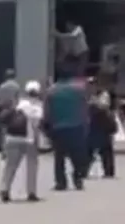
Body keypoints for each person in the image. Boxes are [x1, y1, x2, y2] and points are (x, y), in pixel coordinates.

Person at [43, 57, 88, 191]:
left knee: (59, 157)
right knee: (77, 155)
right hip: (76, 126)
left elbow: (47, 111)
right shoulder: (78, 90)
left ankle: (61, 182)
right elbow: (84, 109)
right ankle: (78, 178)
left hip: (58, 127)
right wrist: (85, 124)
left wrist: (47, 127)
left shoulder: (51, 91)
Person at [0, 80, 43, 203]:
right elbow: (36, 125)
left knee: (10, 166)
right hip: (29, 139)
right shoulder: (38, 106)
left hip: (12, 137)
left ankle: (5, 189)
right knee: (32, 166)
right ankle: (31, 192)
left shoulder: (18, 103)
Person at [86, 77, 116, 178]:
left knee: (106, 149)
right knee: (88, 149)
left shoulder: (103, 94)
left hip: (103, 124)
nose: (92, 86)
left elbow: (104, 106)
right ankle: (83, 170)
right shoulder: (88, 95)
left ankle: (109, 171)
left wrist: (94, 103)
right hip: (92, 125)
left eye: (93, 84)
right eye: (90, 84)